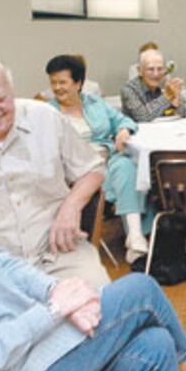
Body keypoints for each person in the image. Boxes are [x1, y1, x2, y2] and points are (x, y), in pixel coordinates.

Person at [0, 239, 186, 371]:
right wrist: (54, 310)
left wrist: (56, 291)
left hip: (38, 348)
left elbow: (3, 263)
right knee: (140, 289)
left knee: (157, 345)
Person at [0, 49, 110, 288]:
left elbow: (94, 168)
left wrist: (71, 206)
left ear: (11, 90)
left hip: (58, 251)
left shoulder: (45, 117)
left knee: (100, 305)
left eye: (0, 99)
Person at [46, 54, 150, 264]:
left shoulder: (94, 103)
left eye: (62, 82)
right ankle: (137, 235)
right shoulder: (48, 113)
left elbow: (124, 120)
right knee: (126, 175)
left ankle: (135, 236)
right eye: (53, 82)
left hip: (107, 158)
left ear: (79, 83)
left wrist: (122, 130)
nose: (57, 88)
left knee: (126, 164)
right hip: (77, 171)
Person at [121, 49, 186, 122]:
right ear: (140, 71)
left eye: (160, 69)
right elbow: (142, 117)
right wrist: (167, 97)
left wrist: (176, 101)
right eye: (151, 69)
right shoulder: (129, 89)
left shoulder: (164, 84)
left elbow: (182, 114)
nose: (156, 74)